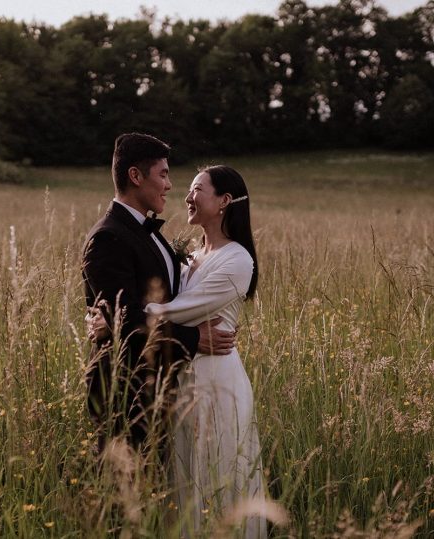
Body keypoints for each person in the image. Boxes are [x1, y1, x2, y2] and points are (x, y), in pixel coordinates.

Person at [90, 165, 266, 537]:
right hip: (181, 377)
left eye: (197, 189)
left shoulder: (237, 260)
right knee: (183, 482)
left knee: (215, 475)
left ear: (224, 202)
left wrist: (116, 320)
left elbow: (175, 310)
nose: (185, 195)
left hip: (216, 380)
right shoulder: (189, 257)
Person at [81, 133, 235, 455]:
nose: (169, 185)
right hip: (124, 392)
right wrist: (194, 339)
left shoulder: (149, 234)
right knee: (124, 493)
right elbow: (126, 321)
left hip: (159, 388)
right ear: (135, 176)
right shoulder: (108, 238)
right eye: (162, 174)